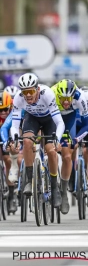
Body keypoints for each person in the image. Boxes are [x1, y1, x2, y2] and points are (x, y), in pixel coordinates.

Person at [10, 73, 64, 208]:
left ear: (37, 89)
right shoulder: (18, 98)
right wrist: (15, 137)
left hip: (48, 120)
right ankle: (29, 180)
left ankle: (54, 187)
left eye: (31, 91)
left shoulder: (47, 93)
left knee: (51, 150)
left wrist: (57, 138)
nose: (28, 95)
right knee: (27, 141)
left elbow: (59, 122)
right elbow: (15, 125)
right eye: (25, 92)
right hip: (32, 118)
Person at [51, 79, 88, 214]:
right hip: (52, 118)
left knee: (67, 155)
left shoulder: (80, 97)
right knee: (49, 147)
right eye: (63, 98)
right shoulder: (51, 94)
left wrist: (77, 138)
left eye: (69, 98)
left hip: (69, 119)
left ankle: (64, 192)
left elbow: (86, 124)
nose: (66, 102)